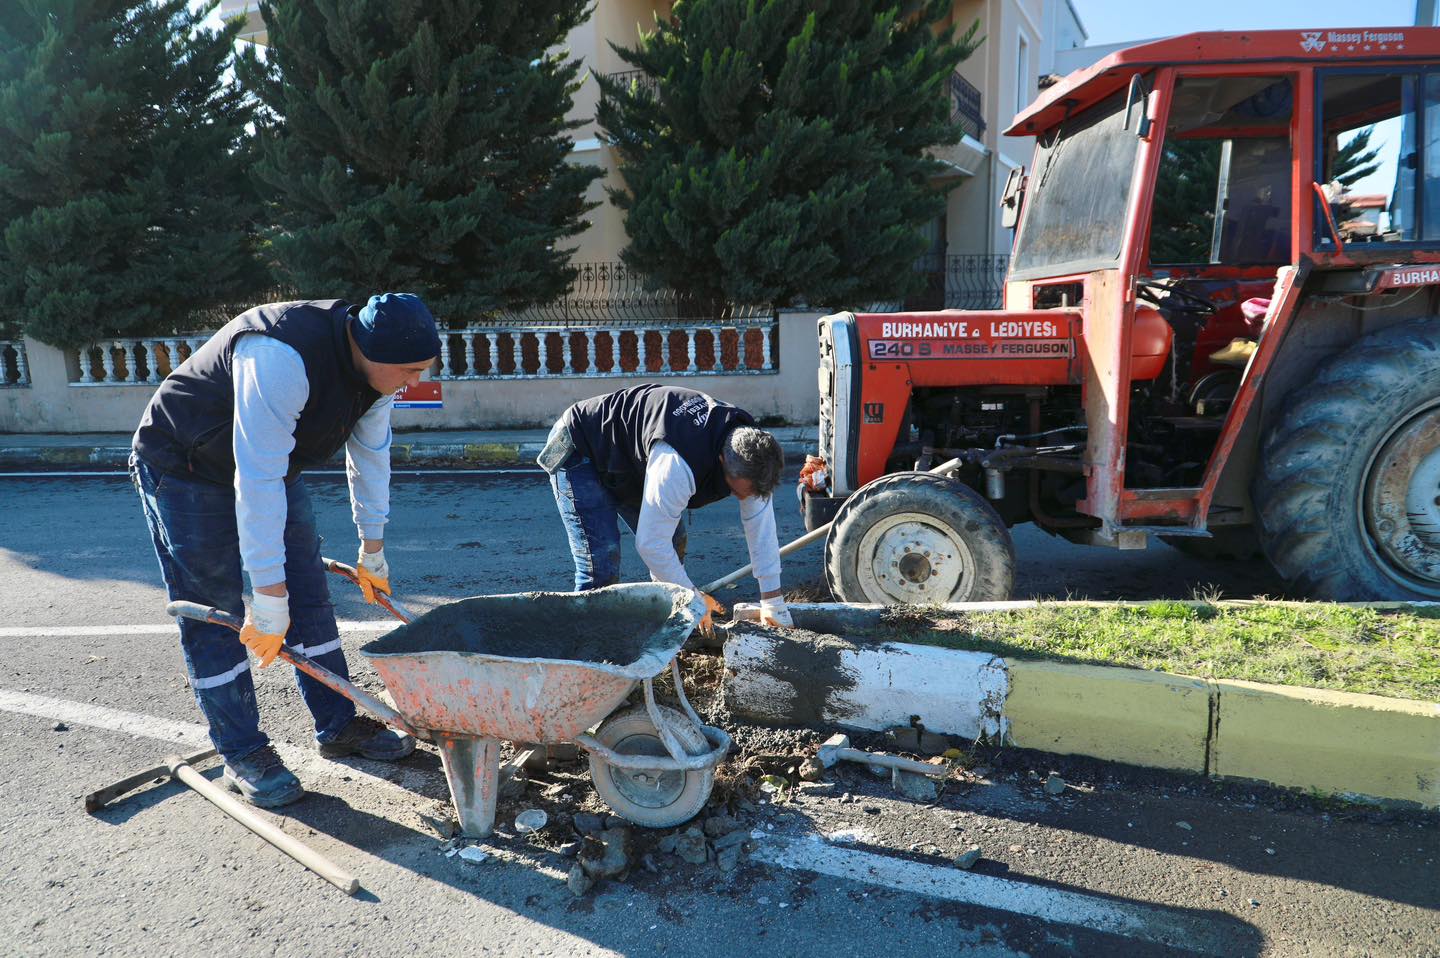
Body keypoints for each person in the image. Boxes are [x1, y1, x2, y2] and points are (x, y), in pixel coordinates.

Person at [130, 293, 441, 807]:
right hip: (185, 465)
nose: (416, 381)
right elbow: (257, 482)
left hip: (273, 466)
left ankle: (338, 725)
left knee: (310, 595)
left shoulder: (380, 377)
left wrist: (373, 551)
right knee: (216, 613)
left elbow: (370, 458)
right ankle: (243, 751)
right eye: (410, 370)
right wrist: (269, 599)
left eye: (422, 369)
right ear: (372, 352)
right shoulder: (279, 355)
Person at [539, 384, 793, 631]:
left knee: (672, 541)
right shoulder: (678, 464)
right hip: (581, 445)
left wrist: (772, 600)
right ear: (722, 460)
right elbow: (651, 544)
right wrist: (693, 599)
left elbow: (760, 526)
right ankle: (585, 648)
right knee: (600, 565)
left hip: (629, 459)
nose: (743, 498)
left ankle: (664, 626)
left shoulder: (755, 456)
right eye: (739, 490)